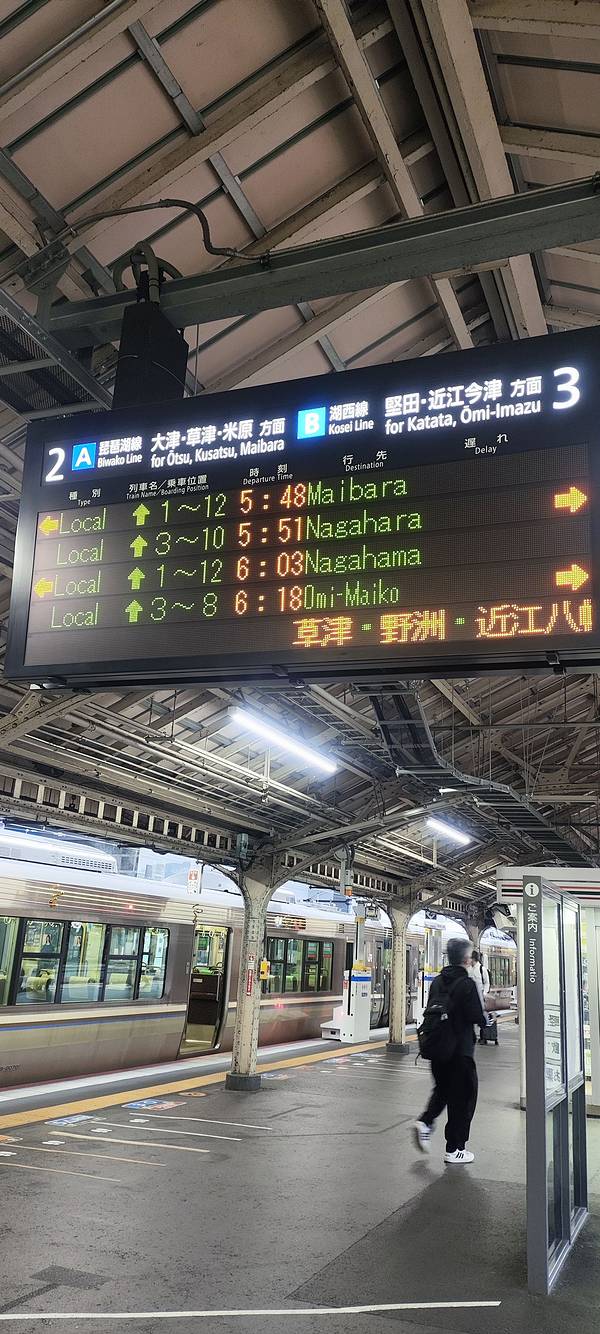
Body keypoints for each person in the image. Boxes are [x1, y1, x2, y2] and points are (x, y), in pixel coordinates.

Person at [414, 937, 487, 1165]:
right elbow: (476, 1016)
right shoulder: (466, 984)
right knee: (463, 1099)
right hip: (460, 1051)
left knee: (443, 1090)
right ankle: (455, 1149)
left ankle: (425, 1121)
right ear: (466, 959)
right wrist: (488, 1017)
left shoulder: (437, 982)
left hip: (438, 1048)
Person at [470, 949, 491, 1043]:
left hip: (481, 996)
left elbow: (487, 982)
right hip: (472, 997)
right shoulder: (469, 969)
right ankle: (473, 1035)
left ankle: (483, 1037)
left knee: (483, 1015)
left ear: (473, 959)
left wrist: (484, 993)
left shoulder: (482, 969)